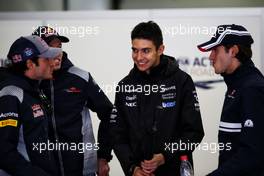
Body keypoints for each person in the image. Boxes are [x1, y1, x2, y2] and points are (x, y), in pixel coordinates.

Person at [111, 21, 204, 176]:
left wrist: (165, 156)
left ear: (160, 49)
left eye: (146, 51)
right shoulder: (124, 86)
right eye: (135, 50)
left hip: (174, 170)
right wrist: (132, 168)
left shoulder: (181, 81)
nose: (139, 57)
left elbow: (194, 133)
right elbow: (117, 135)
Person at [32, 26, 113, 176]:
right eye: (50, 47)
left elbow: (110, 114)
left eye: (59, 47)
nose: (57, 53)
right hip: (42, 170)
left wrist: (103, 157)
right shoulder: (30, 83)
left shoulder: (81, 78)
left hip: (82, 170)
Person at [197, 24, 264, 176]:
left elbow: (253, 155)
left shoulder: (252, 89)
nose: (210, 57)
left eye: (215, 50)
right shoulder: (237, 84)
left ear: (233, 51)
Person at [0, 35, 62, 176]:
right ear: (30, 64)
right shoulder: (11, 94)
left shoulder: (32, 90)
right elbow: (4, 151)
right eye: (46, 59)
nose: (52, 63)